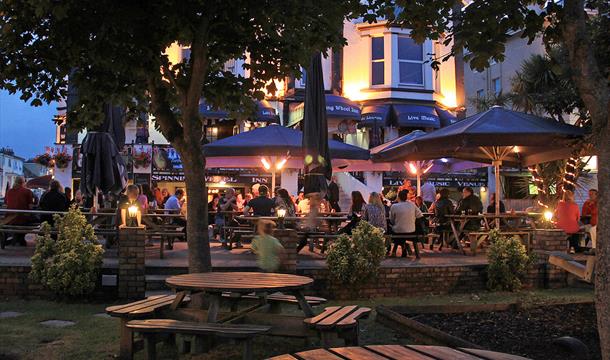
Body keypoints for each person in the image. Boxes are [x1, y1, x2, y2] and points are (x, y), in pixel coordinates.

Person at [389, 189, 423, 257]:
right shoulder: (412, 205)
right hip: (411, 230)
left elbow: (392, 220)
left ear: (398, 197)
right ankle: (405, 246)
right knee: (401, 231)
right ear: (406, 197)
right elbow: (420, 216)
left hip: (398, 230)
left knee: (393, 230)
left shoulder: (394, 206)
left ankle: (402, 247)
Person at [4, 177, 34, 246]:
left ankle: (17, 238)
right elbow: (31, 206)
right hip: (22, 218)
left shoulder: (9, 191)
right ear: (23, 182)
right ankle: (20, 239)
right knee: (34, 220)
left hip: (10, 218)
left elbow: (6, 203)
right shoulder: (27, 191)